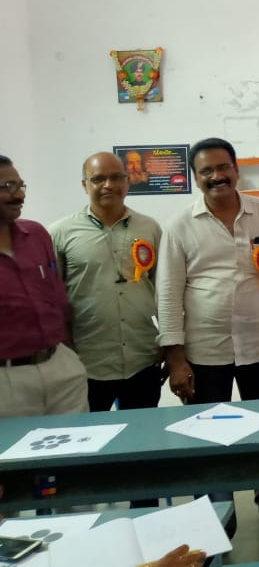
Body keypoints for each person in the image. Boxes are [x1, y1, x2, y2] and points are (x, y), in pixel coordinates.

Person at [157, 137, 259, 534]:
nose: (217, 176)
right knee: (208, 434)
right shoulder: (179, 226)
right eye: (206, 171)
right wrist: (175, 358)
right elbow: (168, 292)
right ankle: (215, 516)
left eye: (223, 167)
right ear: (195, 178)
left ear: (236, 169)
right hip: (204, 350)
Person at [49, 152, 164, 507]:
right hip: (86, 364)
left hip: (142, 357)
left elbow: (165, 290)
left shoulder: (150, 228)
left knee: (143, 450)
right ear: (84, 184)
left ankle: (145, 516)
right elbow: (53, 300)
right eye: (98, 179)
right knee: (86, 452)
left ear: (128, 182)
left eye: (116, 177)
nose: (108, 185)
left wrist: (171, 345)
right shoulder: (60, 233)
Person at [0, 155, 88, 417]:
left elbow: (59, 299)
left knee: (81, 440)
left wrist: (70, 358)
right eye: (7, 187)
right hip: (7, 380)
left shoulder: (36, 234)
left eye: (20, 186)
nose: (19, 195)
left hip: (60, 368)